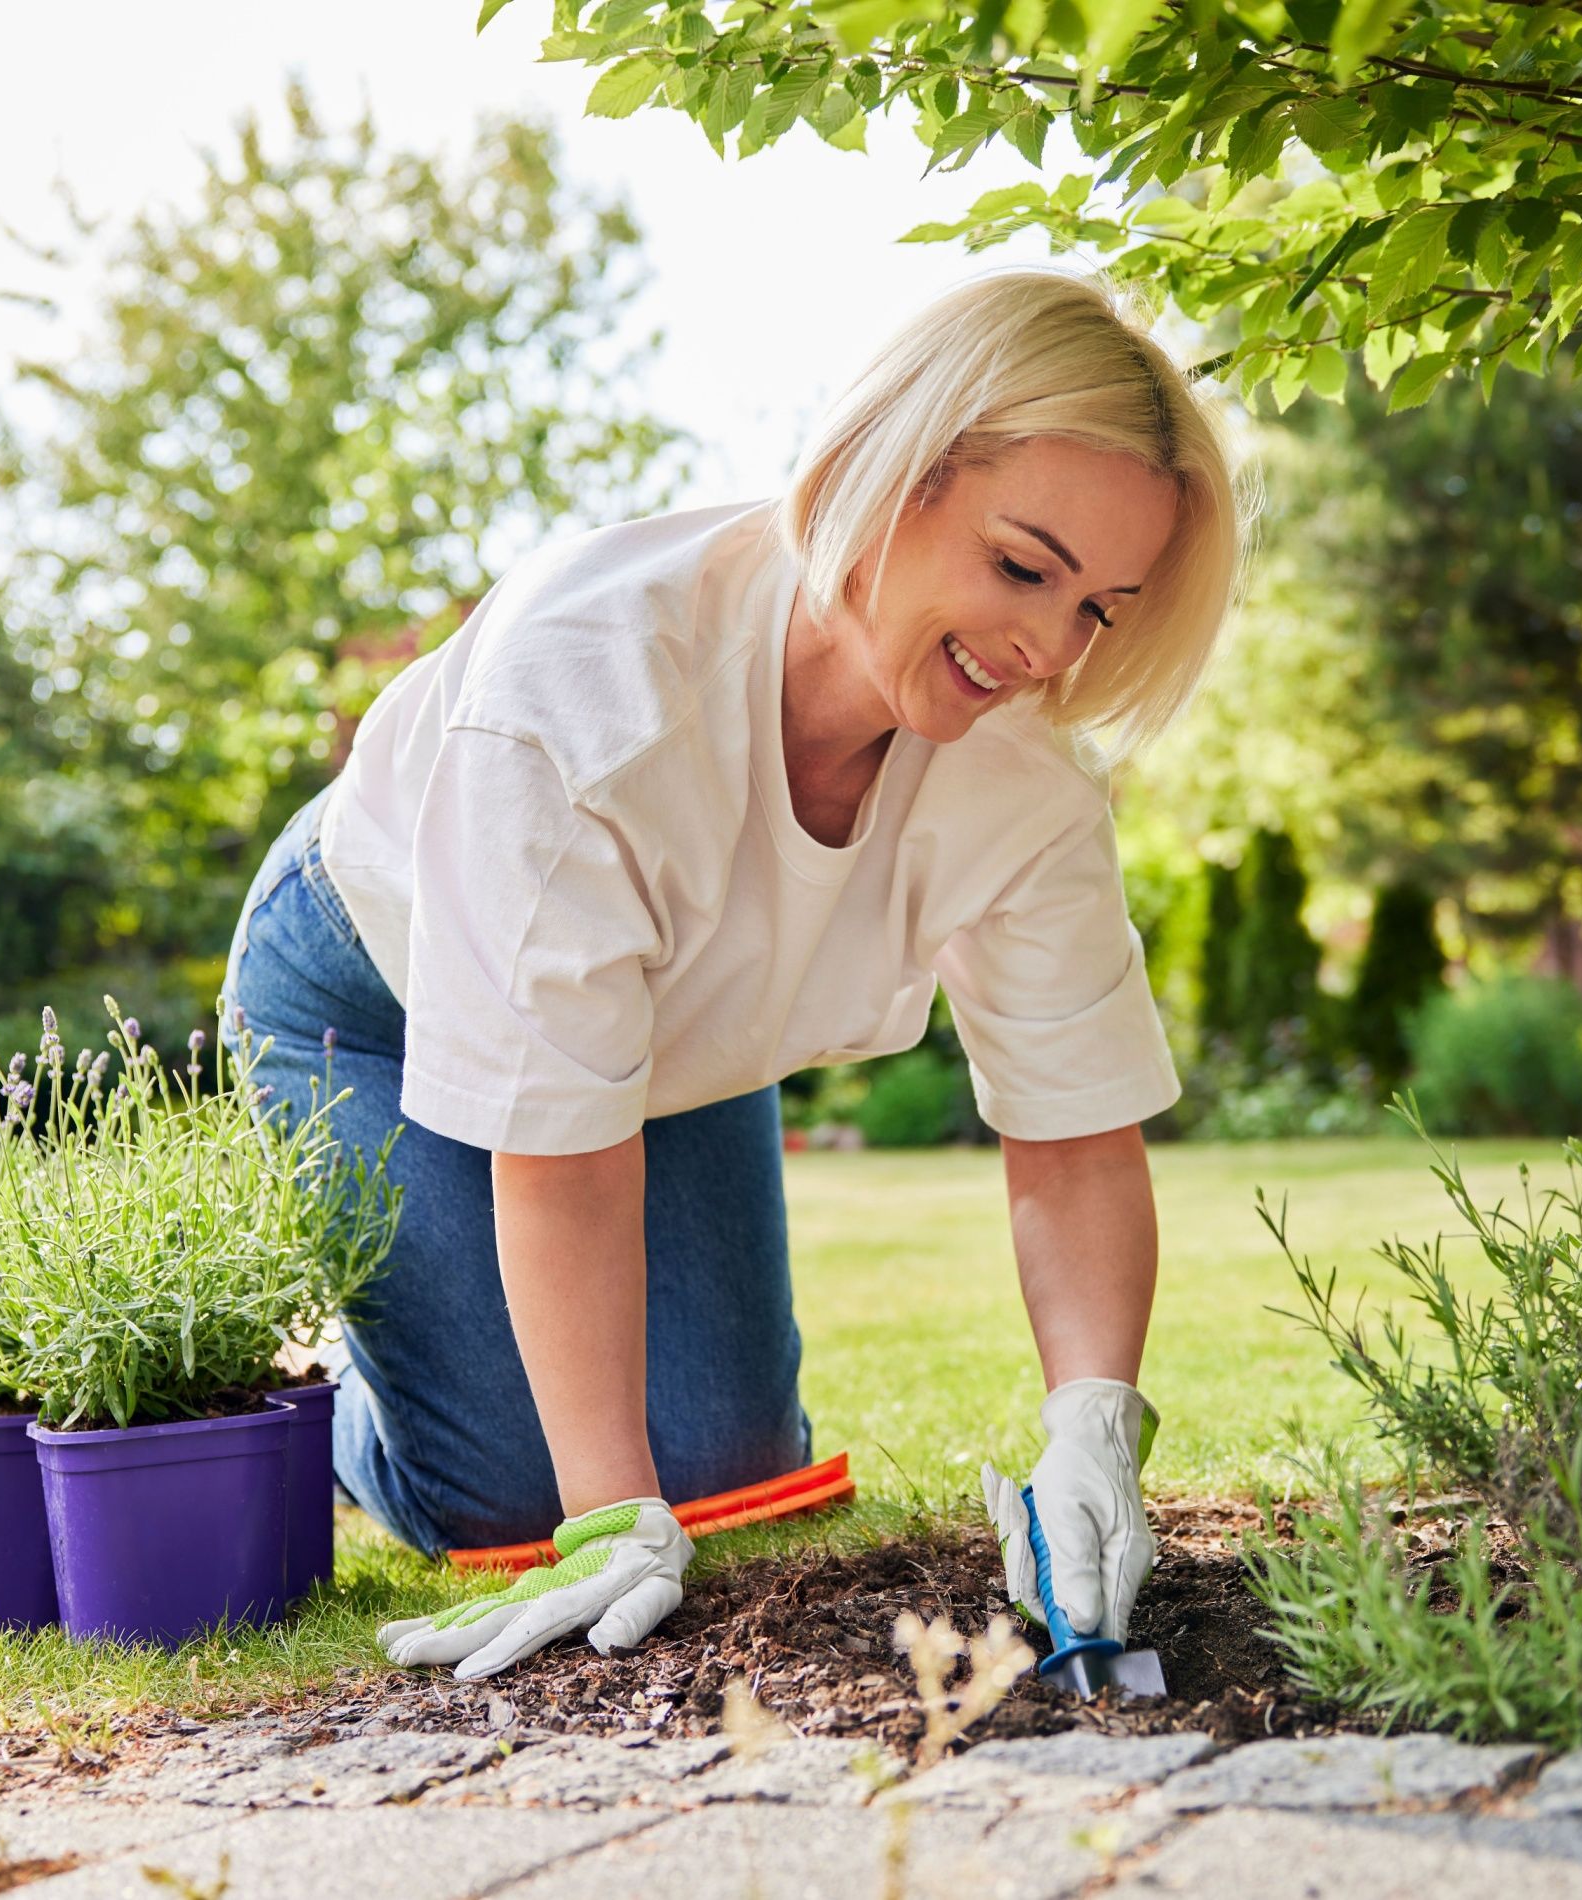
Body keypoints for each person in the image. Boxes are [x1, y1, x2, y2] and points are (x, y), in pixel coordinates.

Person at [218, 268, 1250, 1680]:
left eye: (1100, 611)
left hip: (666, 1037)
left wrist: (1095, 1428)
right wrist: (605, 1521)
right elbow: (562, 1153)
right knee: (514, 1499)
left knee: (727, 1471)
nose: (1047, 649)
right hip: (369, 984)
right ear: (887, 473)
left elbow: (1074, 1135)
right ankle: (337, 1392)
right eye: (1024, 567)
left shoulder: (1026, 777)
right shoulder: (582, 699)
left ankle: (470, 1365)